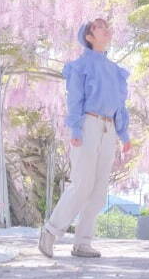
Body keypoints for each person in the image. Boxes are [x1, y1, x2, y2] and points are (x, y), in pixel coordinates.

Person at [38, 17, 132, 258]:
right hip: (88, 124)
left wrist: (124, 134)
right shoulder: (80, 66)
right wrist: (76, 130)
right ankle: (50, 232)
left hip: (109, 129)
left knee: (99, 190)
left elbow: (119, 106)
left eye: (107, 26)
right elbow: (75, 100)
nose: (106, 29)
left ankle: (82, 243)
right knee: (82, 184)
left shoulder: (114, 70)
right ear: (89, 37)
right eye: (100, 27)